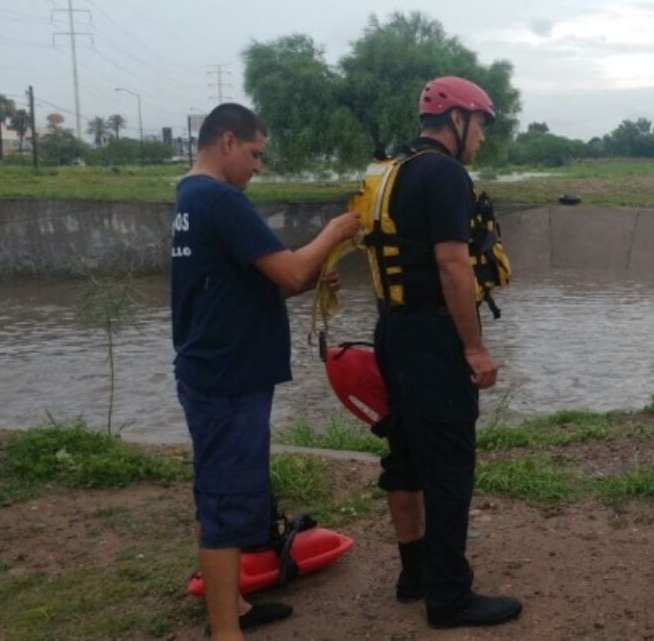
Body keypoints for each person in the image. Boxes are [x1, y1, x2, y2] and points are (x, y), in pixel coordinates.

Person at [170, 103, 359, 640]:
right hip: (227, 374)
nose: (258, 166)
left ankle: (236, 608)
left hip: (211, 366)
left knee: (220, 489)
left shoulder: (189, 196)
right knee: (225, 500)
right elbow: (294, 270)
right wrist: (335, 233)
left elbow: (262, 279)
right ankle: (226, 631)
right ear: (226, 141)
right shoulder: (220, 198)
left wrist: (307, 273)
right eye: (255, 154)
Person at [370, 76, 522, 629]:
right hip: (433, 339)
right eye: (480, 123)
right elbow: (453, 264)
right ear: (456, 119)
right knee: (450, 467)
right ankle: (450, 598)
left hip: (391, 330)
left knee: (405, 457)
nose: (481, 136)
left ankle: (415, 575)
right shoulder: (444, 173)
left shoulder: (392, 171)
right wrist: (475, 347)